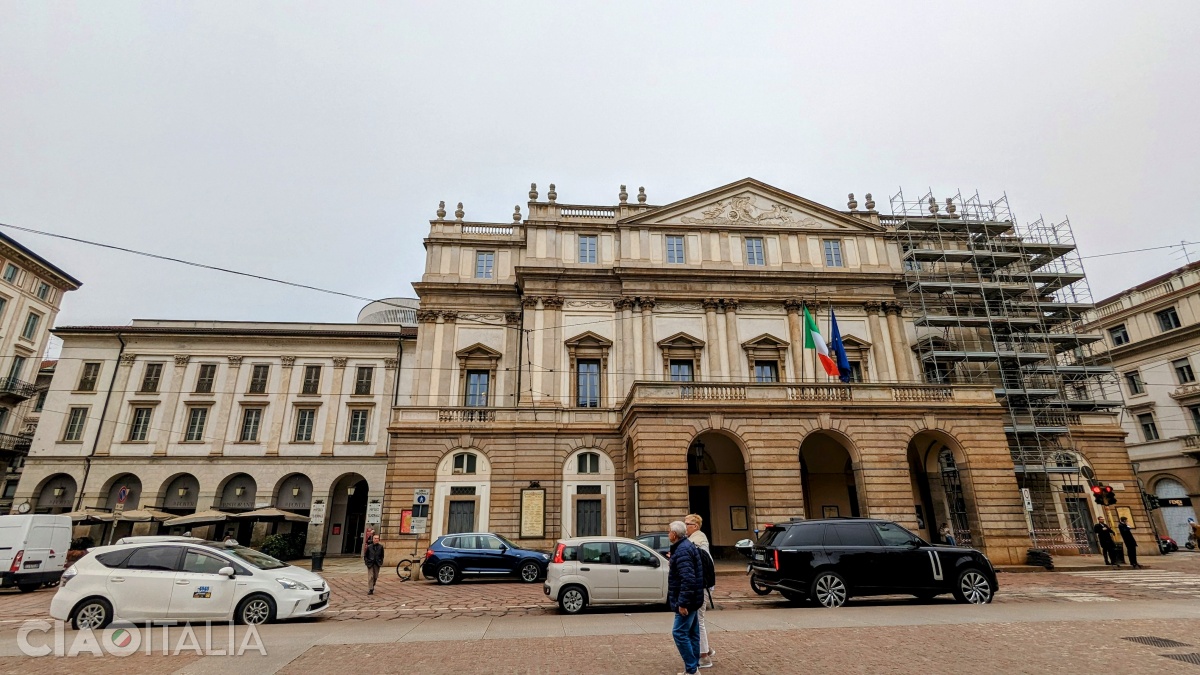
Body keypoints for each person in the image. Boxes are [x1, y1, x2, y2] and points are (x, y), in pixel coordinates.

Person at [667, 520, 705, 675]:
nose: (668, 534)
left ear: (674, 534)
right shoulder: (686, 546)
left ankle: (692, 669)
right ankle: (693, 667)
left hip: (687, 600)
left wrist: (682, 603)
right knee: (692, 633)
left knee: (679, 633)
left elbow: (687, 579)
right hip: (694, 598)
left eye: (669, 531)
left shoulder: (682, 550)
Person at [684, 514, 715, 669]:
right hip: (703, 585)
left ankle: (704, 656)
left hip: (701, 586)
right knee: (696, 619)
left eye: (687, 523)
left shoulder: (697, 541)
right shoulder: (695, 539)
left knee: (698, 619)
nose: (685, 526)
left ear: (695, 526)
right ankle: (706, 649)